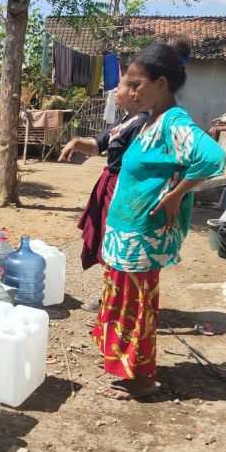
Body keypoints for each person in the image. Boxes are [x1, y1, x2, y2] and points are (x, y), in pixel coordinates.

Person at [95, 41, 226, 400]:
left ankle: (143, 380)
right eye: (129, 84)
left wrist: (176, 194)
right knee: (122, 303)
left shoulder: (173, 121)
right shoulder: (149, 119)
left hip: (142, 235)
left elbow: (213, 157)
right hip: (127, 231)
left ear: (162, 84)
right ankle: (127, 368)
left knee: (137, 309)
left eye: (137, 84)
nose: (131, 91)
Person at [59, 77, 148, 309]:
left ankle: (118, 301)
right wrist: (77, 142)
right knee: (105, 241)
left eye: (120, 86)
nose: (115, 89)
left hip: (123, 189)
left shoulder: (143, 125)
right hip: (109, 184)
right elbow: (99, 144)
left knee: (116, 242)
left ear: (134, 93)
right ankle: (111, 297)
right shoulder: (127, 120)